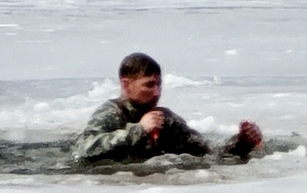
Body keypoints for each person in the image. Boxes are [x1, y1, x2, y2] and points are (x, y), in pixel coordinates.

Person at [72, 52, 263, 164]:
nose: (156, 92)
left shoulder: (165, 119)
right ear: (126, 84)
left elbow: (209, 154)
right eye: (148, 85)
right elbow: (83, 151)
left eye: (159, 85)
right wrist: (138, 131)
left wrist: (242, 142)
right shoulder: (111, 113)